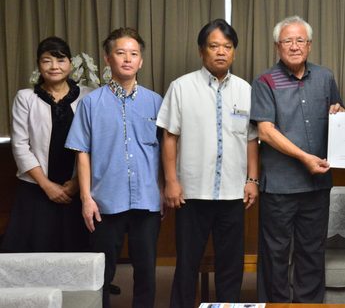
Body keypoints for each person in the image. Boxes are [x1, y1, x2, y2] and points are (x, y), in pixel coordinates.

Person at [157, 19, 259, 307]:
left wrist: (252, 180)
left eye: (227, 47)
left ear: (234, 52)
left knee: (231, 264)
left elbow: (251, 139)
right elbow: (169, 137)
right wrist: (171, 181)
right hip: (192, 193)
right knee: (188, 262)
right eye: (214, 46)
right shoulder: (181, 87)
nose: (221, 52)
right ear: (202, 51)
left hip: (232, 192)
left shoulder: (244, 90)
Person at [65, 28, 162, 308]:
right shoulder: (91, 103)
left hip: (147, 200)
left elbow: (165, 152)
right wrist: (85, 198)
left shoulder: (156, 101)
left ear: (141, 61)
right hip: (104, 202)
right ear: (108, 59)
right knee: (102, 275)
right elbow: (82, 152)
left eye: (134, 54)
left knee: (146, 273)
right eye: (120, 53)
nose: (127, 59)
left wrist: (164, 190)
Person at [250, 15, 344, 303]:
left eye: (300, 40)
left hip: (317, 185)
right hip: (279, 186)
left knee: (312, 251)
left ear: (310, 45)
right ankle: (276, 305)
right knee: (275, 253)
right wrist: (304, 157)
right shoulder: (265, 81)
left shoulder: (325, 77)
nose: (294, 46)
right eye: (287, 41)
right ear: (277, 46)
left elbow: (335, 115)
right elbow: (265, 131)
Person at [2, 37, 90, 252]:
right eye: (46, 61)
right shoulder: (26, 98)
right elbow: (21, 146)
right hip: (36, 187)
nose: (54, 67)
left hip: (77, 186)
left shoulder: (88, 95)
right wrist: (47, 185)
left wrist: (77, 181)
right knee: (33, 250)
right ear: (39, 65)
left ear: (70, 63)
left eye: (60, 60)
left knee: (76, 248)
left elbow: (95, 143)